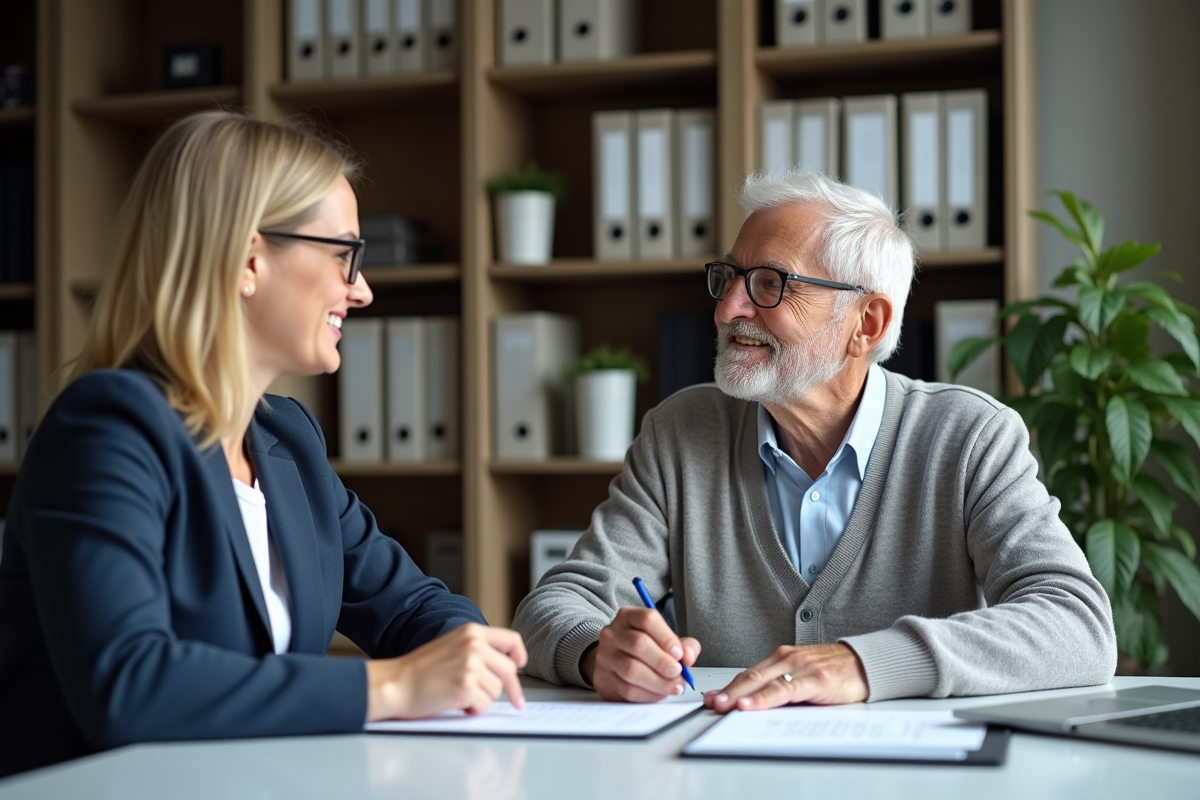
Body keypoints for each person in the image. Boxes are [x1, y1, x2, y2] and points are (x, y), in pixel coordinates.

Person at [0, 111, 527, 778]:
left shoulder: (285, 439)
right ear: (249, 258)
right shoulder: (106, 429)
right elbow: (128, 683)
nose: (360, 290)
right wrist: (394, 687)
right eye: (344, 256)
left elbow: (411, 605)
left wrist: (466, 652)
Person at [512, 170, 1117, 710]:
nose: (727, 309)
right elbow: (555, 605)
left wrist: (863, 664)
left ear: (866, 324)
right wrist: (598, 652)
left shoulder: (968, 436)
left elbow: (1077, 625)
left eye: (770, 283)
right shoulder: (680, 431)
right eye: (728, 278)